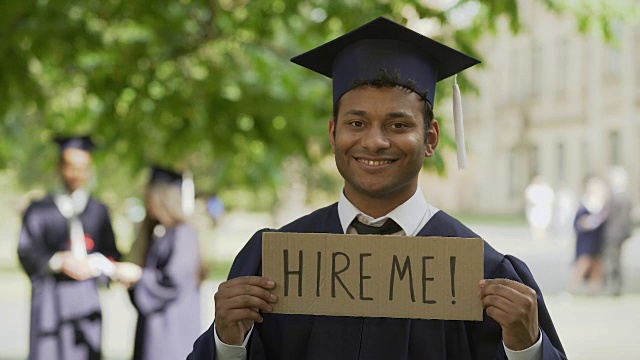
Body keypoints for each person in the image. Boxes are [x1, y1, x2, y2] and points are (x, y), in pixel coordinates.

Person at [188, 17, 566, 359]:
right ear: (334, 133)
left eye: (398, 125)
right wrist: (227, 343)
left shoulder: (482, 273)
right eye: (356, 123)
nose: (375, 142)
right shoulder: (275, 262)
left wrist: (526, 349)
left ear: (430, 138)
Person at [17, 135, 122, 360]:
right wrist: (58, 261)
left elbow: (112, 253)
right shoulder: (39, 210)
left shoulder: (98, 211)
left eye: (83, 168)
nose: (76, 174)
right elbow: (26, 250)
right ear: (60, 167)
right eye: (71, 166)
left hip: (85, 299)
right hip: (50, 299)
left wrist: (97, 265)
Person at [120, 166, 202, 360]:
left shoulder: (183, 234)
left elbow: (173, 280)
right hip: (157, 326)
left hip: (172, 328)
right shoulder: (162, 233)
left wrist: (138, 276)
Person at [568, 175, 609, 295]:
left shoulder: (603, 204)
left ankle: (593, 291)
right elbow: (577, 223)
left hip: (598, 239)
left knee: (597, 265)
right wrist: (587, 222)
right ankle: (572, 290)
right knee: (582, 264)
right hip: (586, 240)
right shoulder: (584, 203)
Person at [602, 166, 633, 296]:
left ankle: (614, 287)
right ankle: (616, 287)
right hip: (620, 233)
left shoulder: (618, 197)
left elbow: (611, 216)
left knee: (613, 261)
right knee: (615, 260)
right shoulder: (625, 197)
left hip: (615, 234)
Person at [524, 176, 555, 242]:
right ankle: (537, 235)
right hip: (535, 208)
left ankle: (542, 234)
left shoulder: (546, 188)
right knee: (535, 222)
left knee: (543, 222)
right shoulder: (532, 188)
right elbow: (529, 197)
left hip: (544, 208)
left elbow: (551, 198)